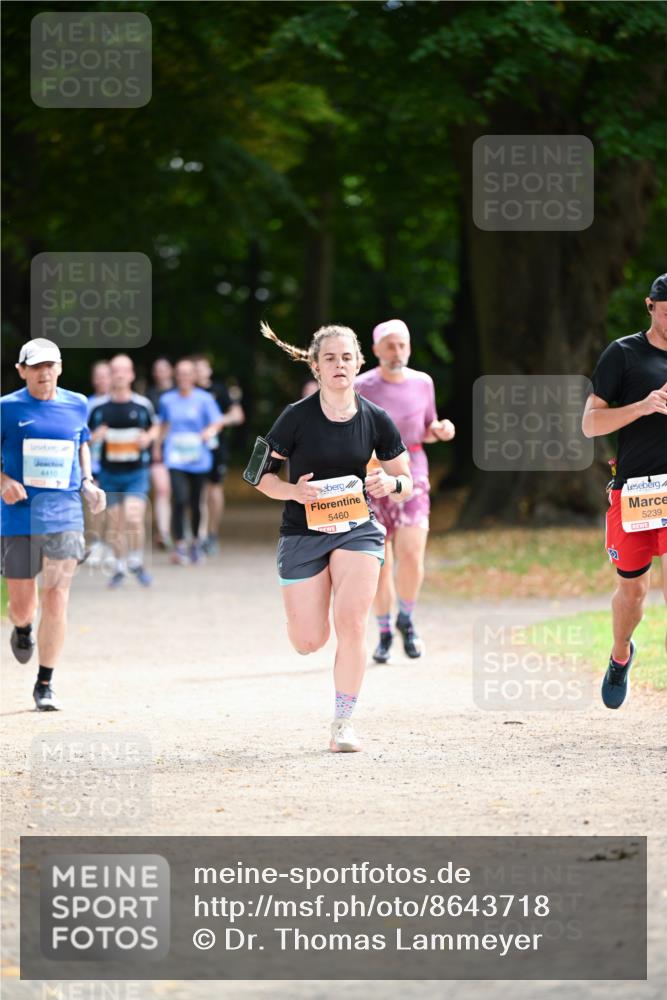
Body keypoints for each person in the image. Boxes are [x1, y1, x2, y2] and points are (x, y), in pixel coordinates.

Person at [251, 322, 412, 752]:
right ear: (316, 367)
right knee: (309, 641)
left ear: (359, 364)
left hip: (357, 528)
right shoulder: (295, 416)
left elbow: (407, 480)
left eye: (346, 358)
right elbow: (258, 475)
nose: (339, 365)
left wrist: (390, 485)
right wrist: (293, 492)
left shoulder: (376, 418)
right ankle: (301, 619)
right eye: (330, 358)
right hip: (302, 531)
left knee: (352, 622)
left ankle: (343, 724)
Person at [1, 339, 106, 711]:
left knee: (57, 596)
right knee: (22, 606)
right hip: (18, 515)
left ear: (59, 367)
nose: (44, 372)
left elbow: (81, 443)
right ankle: (23, 627)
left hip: (64, 514)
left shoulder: (77, 403)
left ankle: (45, 683)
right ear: (22, 371)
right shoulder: (6, 408)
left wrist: (88, 482)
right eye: (36, 366)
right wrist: (3, 481)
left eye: (50, 365)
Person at [583, 273, 667, 709]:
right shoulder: (624, 354)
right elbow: (590, 424)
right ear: (650, 306)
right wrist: (644, 406)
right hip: (636, 492)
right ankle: (620, 655)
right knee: (633, 593)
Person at [356, 319, 455, 663]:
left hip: (413, 470)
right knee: (380, 561)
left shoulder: (423, 382)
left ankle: (407, 619)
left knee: (412, 553)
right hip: (372, 475)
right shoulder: (361, 386)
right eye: (390, 345)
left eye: (403, 345)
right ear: (376, 350)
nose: (397, 352)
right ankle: (384, 632)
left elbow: (425, 427)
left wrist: (439, 430)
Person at [88, 354, 159, 588]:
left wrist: (148, 437)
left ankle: (136, 561)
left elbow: (155, 427)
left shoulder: (142, 405)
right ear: (109, 375)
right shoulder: (98, 408)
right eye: (115, 370)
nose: (119, 375)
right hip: (109, 473)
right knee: (115, 522)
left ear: (131, 375)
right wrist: (94, 437)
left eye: (124, 370)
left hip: (136, 472)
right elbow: (83, 438)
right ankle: (119, 567)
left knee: (133, 517)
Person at [158, 358, 224, 565]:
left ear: (194, 376)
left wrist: (209, 432)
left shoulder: (204, 399)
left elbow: (217, 422)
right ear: (175, 376)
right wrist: (157, 447)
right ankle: (179, 544)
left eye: (187, 373)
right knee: (179, 498)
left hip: (199, 458)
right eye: (180, 374)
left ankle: (195, 541)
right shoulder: (167, 399)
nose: (183, 377)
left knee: (196, 502)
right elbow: (163, 425)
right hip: (175, 457)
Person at [193, 355, 245, 554]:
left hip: (216, 448)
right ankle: (199, 535)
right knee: (196, 492)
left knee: (213, 490)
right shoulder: (186, 392)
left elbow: (238, 415)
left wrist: (218, 422)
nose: (198, 372)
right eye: (195, 369)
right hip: (191, 449)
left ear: (209, 370)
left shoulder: (220, 390)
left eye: (202, 368)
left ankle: (212, 533)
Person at [86, 360, 111, 567]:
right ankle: (95, 543)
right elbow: (80, 438)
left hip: (117, 464)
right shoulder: (86, 404)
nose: (102, 380)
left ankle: (111, 545)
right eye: (98, 376)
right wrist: (95, 436)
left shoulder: (122, 402)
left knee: (115, 506)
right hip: (94, 464)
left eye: (106, 375)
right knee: (95, 505)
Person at [147, 358, 174, 550]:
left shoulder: (180, 393)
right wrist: (155, 445)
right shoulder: (149, 396)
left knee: (181, 494)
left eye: (163, 369)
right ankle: (163, 532)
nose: (160, 373)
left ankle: (181, 529)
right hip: (159, 452)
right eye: (157, 369)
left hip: (183, 454)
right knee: (163, 490)